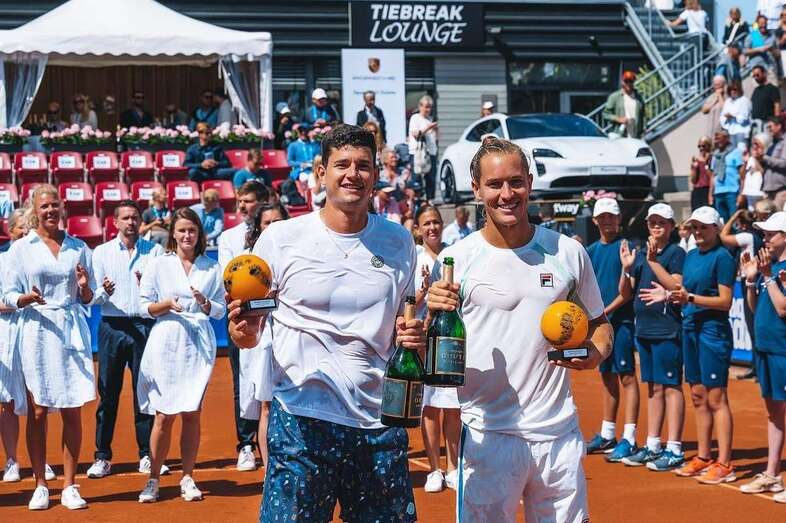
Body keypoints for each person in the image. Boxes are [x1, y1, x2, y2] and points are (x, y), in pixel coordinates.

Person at [228, 125, 423, 522]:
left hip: (378, 424)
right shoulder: (281, 239)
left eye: (364, 166)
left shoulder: (399, 242)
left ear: (376, 175)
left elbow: (405, 320)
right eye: (342, 165)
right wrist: (244, 330)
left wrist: (412, 333)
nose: (353, 174)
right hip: (301, 420)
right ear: (321, 172)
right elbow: (247, 333)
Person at [426, 135, 612, 522]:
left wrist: (593, 354)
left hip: (558, 433)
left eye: (516, 182)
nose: (507, 194)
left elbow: (599, 325)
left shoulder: (567, 252)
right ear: (476, 189)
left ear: (530, 181)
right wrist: (428, 316)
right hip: (488, 436)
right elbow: (429, 343)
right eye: (494, 184)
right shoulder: (455, 260)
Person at [3, 185, 96, 510]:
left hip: (70, 331)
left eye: (55, 205)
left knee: (72, 408)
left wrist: (84, 288)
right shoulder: (20, 249)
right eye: (44, 206)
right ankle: (40, 484)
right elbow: (6, 294)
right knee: (38, 410)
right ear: (35, 210)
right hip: (36, 331)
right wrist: (23, 299)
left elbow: (90, 297)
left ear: (62, 208)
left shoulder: (79, 247)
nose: (51, 211)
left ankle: (70, 484)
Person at [136, 207, 225, 503]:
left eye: (192, 230)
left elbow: (221, 310)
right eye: (182, 230)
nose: (187, 235)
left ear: (199, 235)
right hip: (166, 341)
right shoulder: (159, 264)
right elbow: (143, 306)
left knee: (192, 412)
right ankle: (153, 479)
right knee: (163, 415)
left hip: (198, 344)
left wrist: (206, 303)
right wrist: (165, 305)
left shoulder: (212, 267)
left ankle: (188, 476)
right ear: (173, 233)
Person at [646, 207, 737, 483]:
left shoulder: (723, 257)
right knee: (698, 395)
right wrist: (655, 265)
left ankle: (725, 464)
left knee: (716, 397)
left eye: (704, 227)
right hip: (690, 329)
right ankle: (704, 456)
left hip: (712, 332)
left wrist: (691, 299)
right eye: (695, 227)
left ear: (716, 229)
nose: (698, 232)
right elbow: (680, 289)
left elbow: (725, 301)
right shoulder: (692, 256)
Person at [86, 201, 167, 480]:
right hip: (112, 325)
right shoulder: (101, 252)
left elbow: (162, 291)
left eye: (135, 218)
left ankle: (146, 454)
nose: (131, 222)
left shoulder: (155, 251)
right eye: (125, 218)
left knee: (144, 392)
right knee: (108, 393)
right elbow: (92, 299)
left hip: (145, 325)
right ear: (115, 222)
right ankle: (102, 456)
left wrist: (150, 284)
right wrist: (104, 292)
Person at [619, 203, 687, 471]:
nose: (656, 227)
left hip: (667, 329)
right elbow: (626, 290)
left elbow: (677, 286)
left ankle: (674, 448)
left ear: (671, 227)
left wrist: (653, 261)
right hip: (644, 330)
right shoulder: (641, 255)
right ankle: (653, 443)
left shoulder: (676, 253)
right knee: (653, 388)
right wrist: (626, 269)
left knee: (671, 388)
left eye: (662, 222)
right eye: (652, 222)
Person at [217, 180, 270, 472]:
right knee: (243, 382)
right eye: (239, 200)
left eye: (248, 201)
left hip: (273, 319)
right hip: (242, 315)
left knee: (270, 387)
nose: (241, 206)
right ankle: (246, 444)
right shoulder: (228, 237)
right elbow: (230, 278)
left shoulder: (279, 233)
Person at [0, 211, 55, 484]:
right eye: (21, 228)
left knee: (37, 400)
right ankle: (12, 460)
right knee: (7, 401)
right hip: (7, 331)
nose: (26, 232)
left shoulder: (39, 257)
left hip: (36, 330)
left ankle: (40, 461)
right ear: (11, 232)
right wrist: (21, 301)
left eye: (29, 227)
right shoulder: (3, 259)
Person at [410, 205, 461, 493]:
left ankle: (452, 466)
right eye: (426, 223)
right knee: (429, 407)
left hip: (447, 340)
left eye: (436, 222)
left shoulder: (455, 255)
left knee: (452, 406)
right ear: (417, 229)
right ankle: (434, 469)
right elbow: (407, 305)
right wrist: (425, 291)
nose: (432, 228)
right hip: (421, 342)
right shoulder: (414, 260)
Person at [584, 198, 640, 463]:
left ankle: (629, 436)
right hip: (599, 328)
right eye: (602, 217)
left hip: (622, 324)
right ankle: (608, 433)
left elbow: (627, 293)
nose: (607, 221)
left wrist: (604, 312)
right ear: (595, 221)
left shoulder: (627, 248)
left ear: (619, 219)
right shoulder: (590, 251)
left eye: (611, 216)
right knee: (606, 378)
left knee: (627, 377)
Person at [739, 211, 786, 501]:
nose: (765, 238)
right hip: (766, 348)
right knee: (774, 414)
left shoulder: (778, 269)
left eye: (770, 233)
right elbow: (757, 309)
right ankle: (772, 475)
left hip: (783, 349)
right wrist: (751, 281)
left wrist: (767, 278)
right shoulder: (771, 266)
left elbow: (783, 309)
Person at [239, 202, 289, 469]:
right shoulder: (248, 262)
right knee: (267, 407)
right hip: (265, 340)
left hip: (293, 340)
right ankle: (271, 469)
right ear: (259, 227)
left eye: (278, 221)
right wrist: (273, 300)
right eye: (268, 222)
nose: (274, 227)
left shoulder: (297, 254)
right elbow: (247, 304)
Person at [408, 95, 439, 200]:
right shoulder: (415, 118)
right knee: (417, 177)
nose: (428, 110)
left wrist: (436, 130)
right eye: (426, 107)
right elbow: (416, 134)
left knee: (431, 178)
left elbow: (437, 138)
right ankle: (417, 201)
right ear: (420, 106)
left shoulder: (430, 119)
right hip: (417, 152)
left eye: (430, 107)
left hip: (431, 152)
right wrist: (428, 128)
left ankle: (430, 200)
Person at [711, 129, 744, 223]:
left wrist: (741, 194)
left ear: (727, 138)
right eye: (716, 139)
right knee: (721, 221)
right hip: (718, 193)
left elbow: (742, 175)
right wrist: (710, 194)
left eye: (719, 138)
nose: (717, 141)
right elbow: (713, 175)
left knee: (734, 221)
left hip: (732, 192)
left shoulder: (736, 152)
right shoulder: (715, 155)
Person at [602, 71, 644, 139]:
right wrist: (618, 119)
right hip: (620, 135)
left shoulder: (639, 97)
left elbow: (642, 115)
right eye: (626, 81)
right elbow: (605, 114)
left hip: (636, 136)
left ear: (633, 82)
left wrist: (643, 130)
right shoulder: (615, 97)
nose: (628, 83)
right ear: (622, 82)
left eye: (630, 81)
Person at [757, 114, 786, 208]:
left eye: (771, 126)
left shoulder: (784, 142)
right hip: (768, 189)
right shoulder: (771, 144)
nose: (769, 129)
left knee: (778, 219)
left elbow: (784, 163)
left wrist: (764, 157)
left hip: (780, 189)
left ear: (779, 126)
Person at [741, 133, 771, 210]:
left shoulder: (767, 158)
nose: (754, 147)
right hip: (750, 192)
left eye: (757, 144)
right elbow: (742, 175)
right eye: (753, 144)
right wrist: (745, 162)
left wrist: (757, 157)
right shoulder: (750, 159)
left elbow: (763, 172)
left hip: (761, 193)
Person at [720, 81, 752, 149]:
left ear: (739, 90)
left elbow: (744, 117)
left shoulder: (744, 100)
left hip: (742, 130)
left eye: (735, 89)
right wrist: (726, 118)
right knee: (732, 152)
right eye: (730, 90)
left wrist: (733, 116)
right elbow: (722, 115)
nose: (732, 91)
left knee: (741, 151)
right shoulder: (727, 101)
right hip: (731, 130)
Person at [751, 65, 782, 129]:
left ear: (764, 73)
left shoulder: (773, 88)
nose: (756, 78)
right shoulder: (755, 90)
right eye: (754, 76)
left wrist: (775, 123)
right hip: (756, 124)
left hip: (768, 123)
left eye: (757, 75)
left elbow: (777, 106)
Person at [691, 136, 714, 210]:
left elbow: (711, 177)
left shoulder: (712, 159)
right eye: (699, 146)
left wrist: (706, 164)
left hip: (707, 189)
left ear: (709, 146)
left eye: (703, 146)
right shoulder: (696, 160)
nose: (701, 148)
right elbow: (693, 180)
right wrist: (694, 168)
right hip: (697, 190)